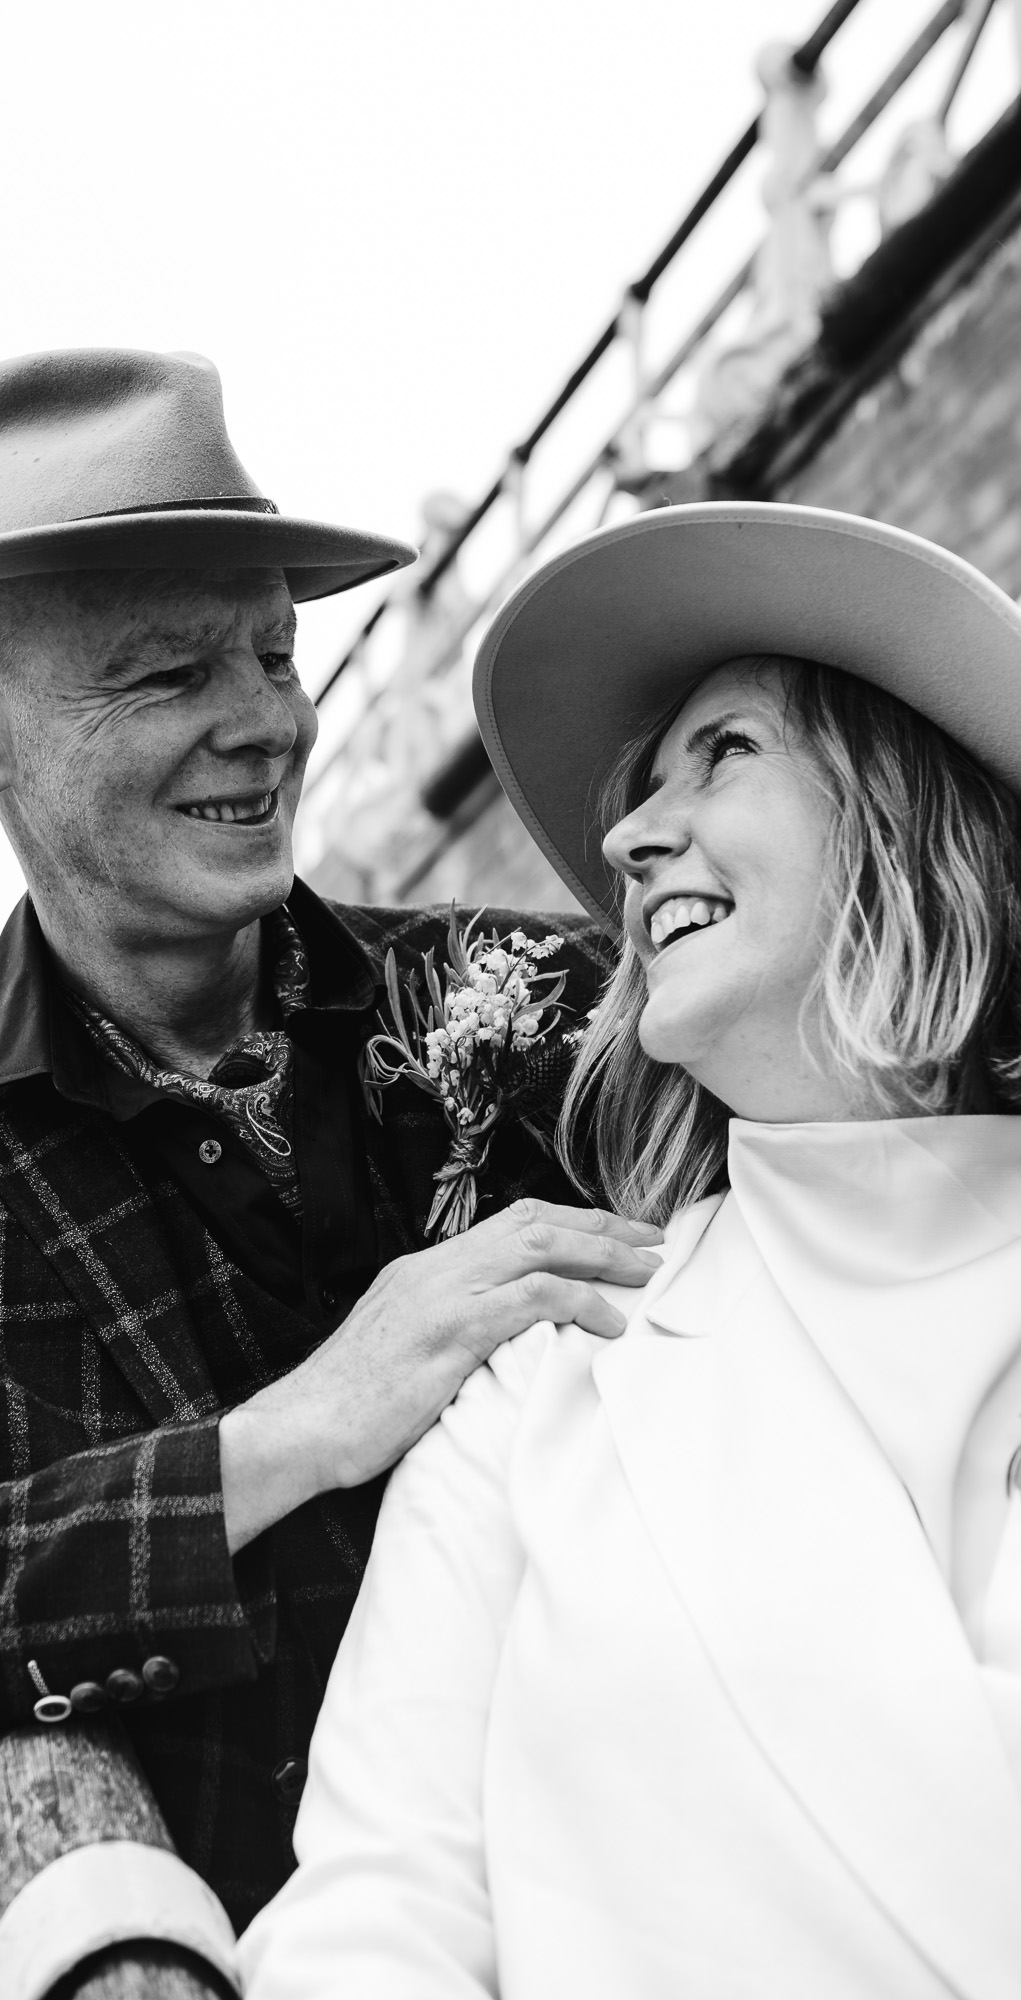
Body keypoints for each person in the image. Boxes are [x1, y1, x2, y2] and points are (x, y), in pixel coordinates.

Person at [0, 348, 659, 1942]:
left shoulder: (552, 999)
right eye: (167, 675)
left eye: (272, 654)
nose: (266, 724)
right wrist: (270, 1448)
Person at [239, 501, 1021, 1999]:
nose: (622, 837)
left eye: (723, 753)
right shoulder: (543, 1391)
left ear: (909, 808)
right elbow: (378, 1908)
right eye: (638, 787)